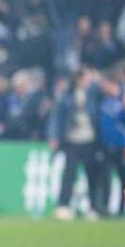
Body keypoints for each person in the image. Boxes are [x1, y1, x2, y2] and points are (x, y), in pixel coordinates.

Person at [48, 69, 105, 221]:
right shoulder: (66, 95)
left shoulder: (94, 94)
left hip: (90, 139)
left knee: (92, 175)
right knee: (69, 174)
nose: (88, 81)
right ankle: (63, 206)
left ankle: (93, 207)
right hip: (72, 139)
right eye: (85, 79)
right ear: (78, 79)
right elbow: (57, 116)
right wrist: (54, 136)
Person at [97, 75, 125, 216]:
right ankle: (104, 208)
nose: (104, 87)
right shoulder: (103, 100)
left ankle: (122, 209)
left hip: (122, 147)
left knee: (123, 178)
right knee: (105, 178)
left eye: (107, 84)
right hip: (106, 146)